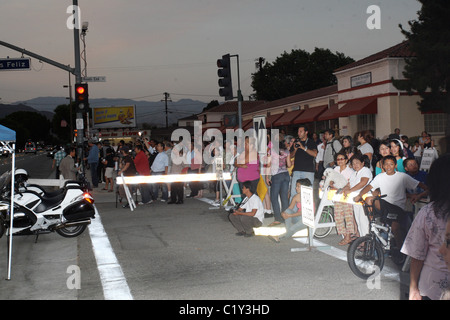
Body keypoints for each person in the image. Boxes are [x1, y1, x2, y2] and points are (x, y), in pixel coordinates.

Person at [402, 154, 450, 300]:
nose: (443, 249)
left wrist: (413, 287)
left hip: (433, 284)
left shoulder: (429, 212)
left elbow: (417, 254)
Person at [354, 155, 428, 247]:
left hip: (397, 208)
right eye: (386, 164)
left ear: (395, 165)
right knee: (369, 199)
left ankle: (400, 250)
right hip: (384, 205)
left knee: (395, 228)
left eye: (391, 164)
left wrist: (418, 196)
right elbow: (369, 187)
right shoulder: (380, 176)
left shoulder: (403, 177)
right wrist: (359, 195)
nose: (388, 167)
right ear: (383, 166)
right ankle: (372, 223)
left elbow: (424, 187)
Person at [334, 152, 372, 245]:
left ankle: (367, 242)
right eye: (353, 163)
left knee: (364, 221)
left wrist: (350, 190)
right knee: (358, 221)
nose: (355, 165)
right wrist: (344, 189)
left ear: (362, 163)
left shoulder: (365, 170)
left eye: (357, 163)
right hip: (355, 200)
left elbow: (363, 183)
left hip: (364, 199)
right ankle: (363, 242)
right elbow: (349, 184)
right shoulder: (354, 173)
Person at [266, 137, 291, 227]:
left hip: (276, 176)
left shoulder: (271, 151)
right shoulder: (286, 151)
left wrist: (267, 177)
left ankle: (277, 218)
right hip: (285, 174)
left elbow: (268, 164)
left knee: (274, 197)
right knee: (284, 197)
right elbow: (289, 164)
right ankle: (286, 217)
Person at [290, 125, 317, 200]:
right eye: (298, 131)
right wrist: (295, 149)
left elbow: (315, 154)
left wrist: (303, 148)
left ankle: (307, 211)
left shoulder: (311, 142)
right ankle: (293, 211)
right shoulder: (296, 142)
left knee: (307, 193)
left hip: (308, 171)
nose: (299, 133)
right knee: (293, 193)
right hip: (296, 171)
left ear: (306, 132)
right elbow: (290, 156)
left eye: (301, 131)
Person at [235, 136, 260, 201]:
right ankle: (248, 210)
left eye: (246, 144)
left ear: (251, 145)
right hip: (243, 180)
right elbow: (235, 162)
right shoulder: (244, 152)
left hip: (251, 179)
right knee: (245, 197)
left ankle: (254, 210)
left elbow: (242, 161)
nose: (244, 145)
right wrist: (241, 165)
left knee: (251, 197)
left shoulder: (253, 153)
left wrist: (239, 162)